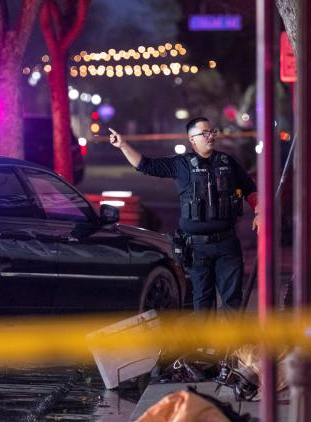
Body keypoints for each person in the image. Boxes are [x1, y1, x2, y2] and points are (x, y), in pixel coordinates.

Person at [108, 118, 258, 315]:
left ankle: (229, 345)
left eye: (212, 132)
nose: (210, 136)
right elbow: (146, 165)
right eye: (204, 133)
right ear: (192, 139)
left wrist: (259, 211)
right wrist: (124, 145)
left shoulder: (228, 163)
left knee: (232, 300)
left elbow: (250, 189)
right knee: (202, 300)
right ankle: (205, 345)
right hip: (197, 248)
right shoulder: (181, 165)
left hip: (227, 244)